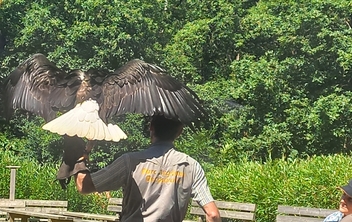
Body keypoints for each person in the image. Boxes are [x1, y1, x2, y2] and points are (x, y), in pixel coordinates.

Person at [72, 115, 221, 222]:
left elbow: (84, 186)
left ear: (151, 127)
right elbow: (213, 214)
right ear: (179, 132)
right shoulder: (191, 166)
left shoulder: (129, 162)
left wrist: (80, 157)